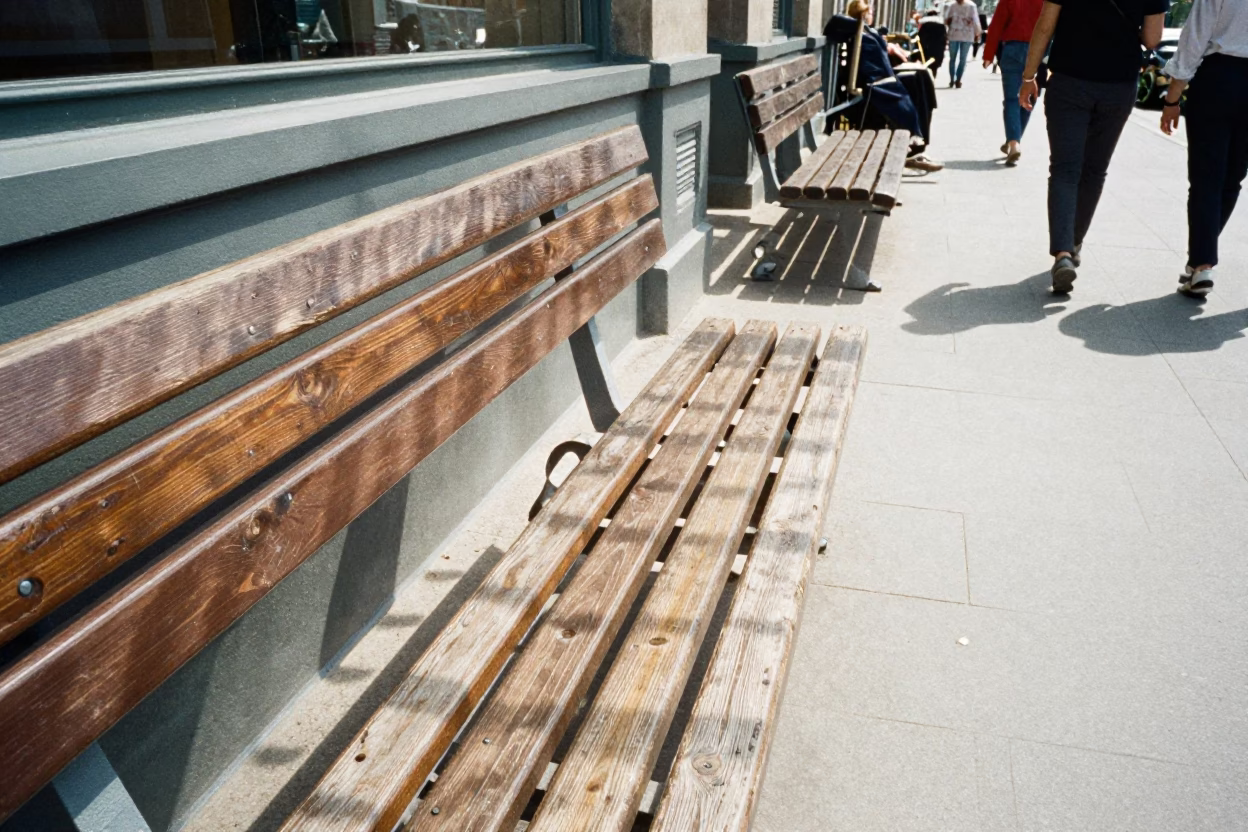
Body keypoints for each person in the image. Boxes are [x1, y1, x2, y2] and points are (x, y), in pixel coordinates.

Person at [1019, 0, 1168, 294]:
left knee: (1064, 169)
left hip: (1069, 81)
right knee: (1094, 170)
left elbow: (1045, 25)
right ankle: (1073, 245)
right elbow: (1152, 38)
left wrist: (1028, 77)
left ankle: (1062, 252)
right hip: (1119, 84)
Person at [1159, 0, 1248, 297]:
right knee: (1232, 179)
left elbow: (1193, 40)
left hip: (1217, 80)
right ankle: (1201, 259)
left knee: (1206, 180)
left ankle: (1201, 263)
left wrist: (1172, 99)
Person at [831, 0, 944, 171]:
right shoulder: (861, 32)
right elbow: (873, 69)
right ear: (863, 14)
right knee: (917, 81)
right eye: (870, 12)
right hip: (874, 84)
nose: (872, 14)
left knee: (921, 80)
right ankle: (914, 144)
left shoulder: (867, 33)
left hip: (882, 77)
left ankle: (917, 143)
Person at [982, 0, 1043, 166]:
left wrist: (988, 54)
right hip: (1040, 51)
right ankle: (1014, 141)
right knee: (1030, 97)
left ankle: (1014, 142)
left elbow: (996, 25)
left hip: (1013, 49)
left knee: (1011, 99)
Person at [944, 0, 982, 88]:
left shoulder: (971, 6)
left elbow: (975, 20)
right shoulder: (952, 6)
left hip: (965, 35)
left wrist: (977, 33)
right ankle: (953, 79)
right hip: (956, 35)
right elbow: (946, 20)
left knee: (962, 59)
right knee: (954, 58)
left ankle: (957, 79)